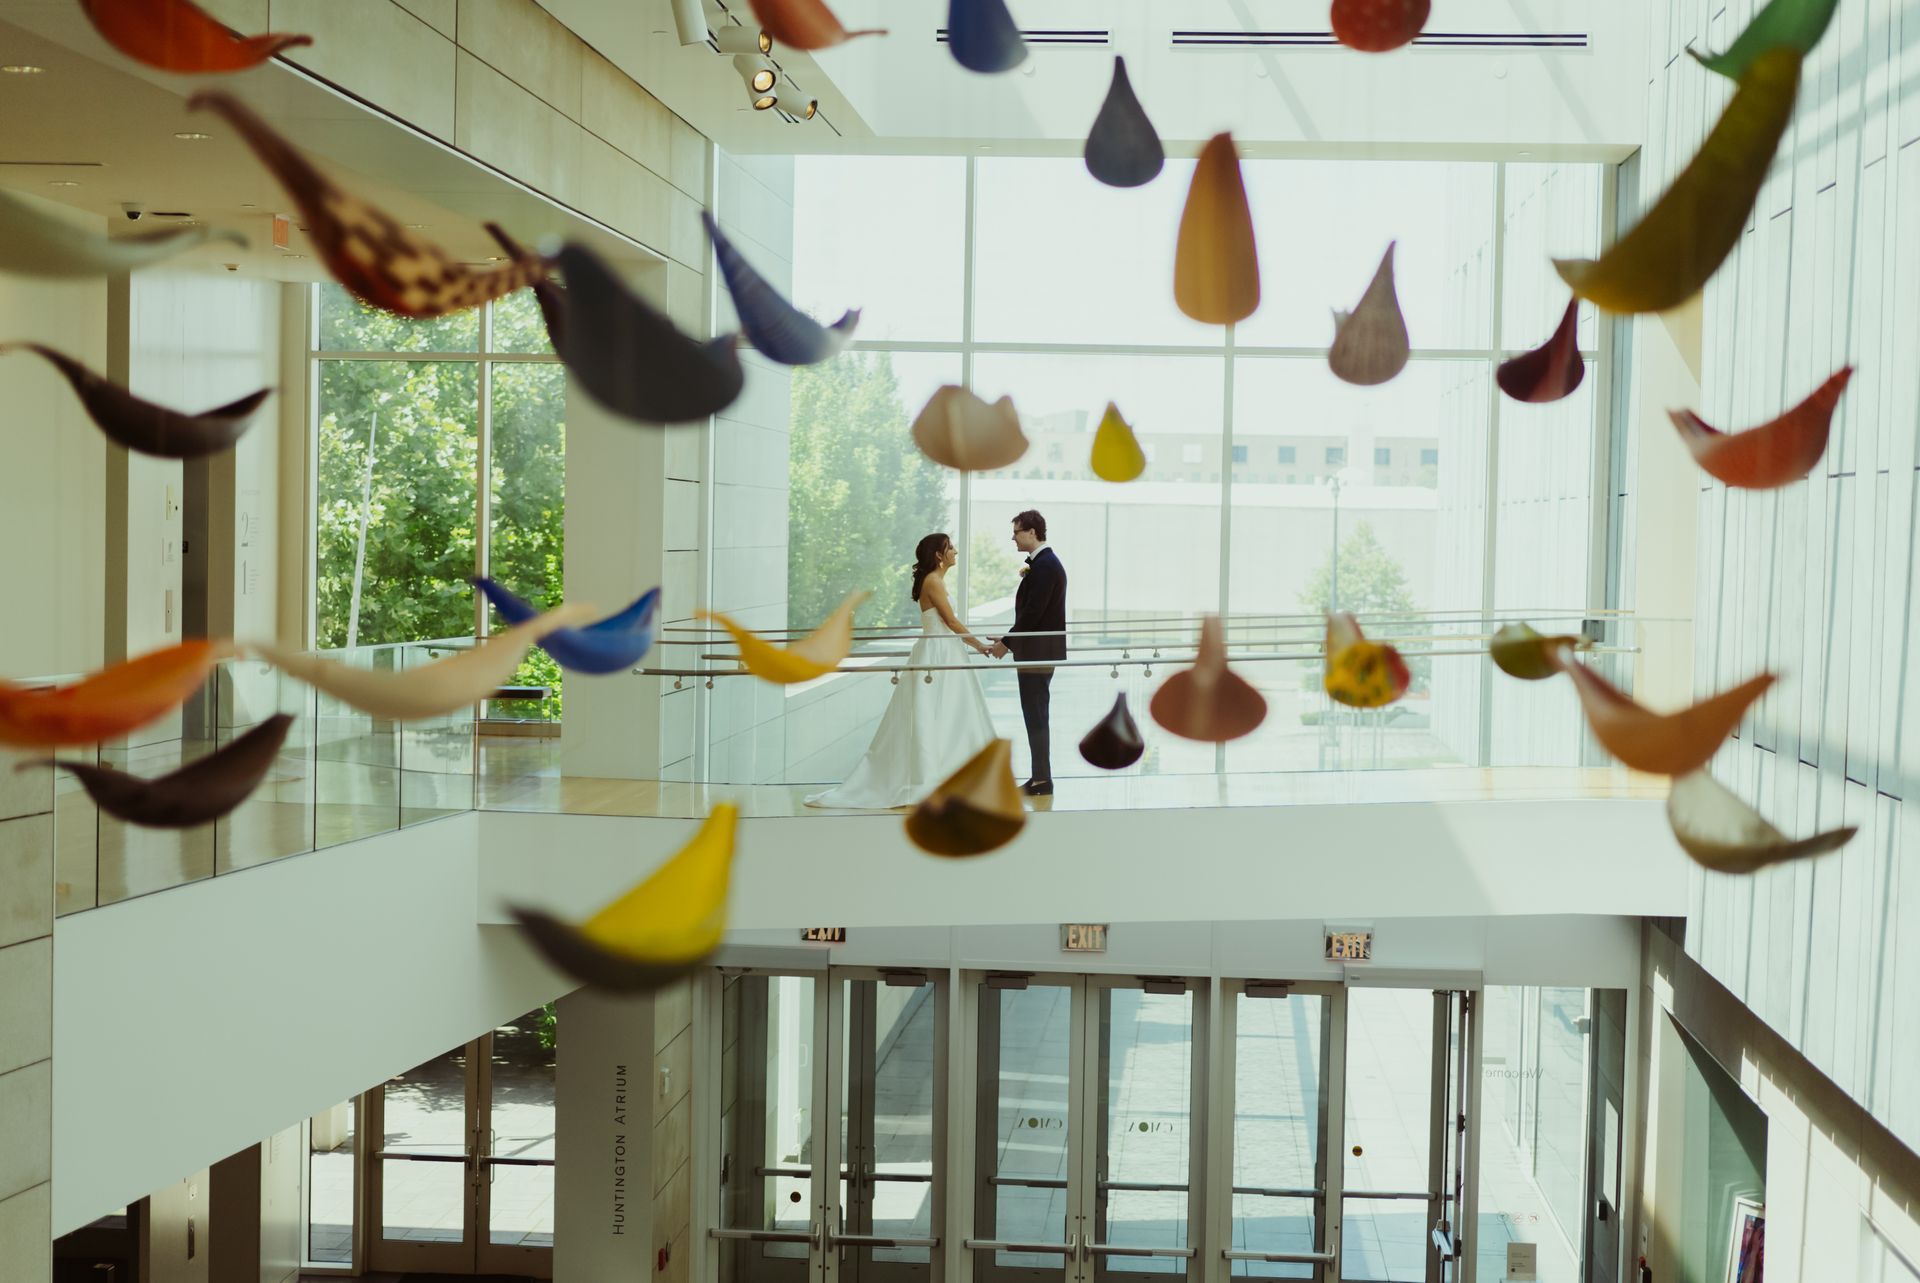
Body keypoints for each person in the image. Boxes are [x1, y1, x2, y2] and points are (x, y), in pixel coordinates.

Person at [805, 533, 997, 810]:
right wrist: (979, 645)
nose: (955, 551)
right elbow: (951, 621)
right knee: (935, 713)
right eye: (950, 547)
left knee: (948, 713)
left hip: (944, 651)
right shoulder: (933, 582)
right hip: (938, 653)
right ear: (939, 556)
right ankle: (933, 779)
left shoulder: (935, 581)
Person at [990, 510, 1066, 795]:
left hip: (1038, 652)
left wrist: (1006, 643)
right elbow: (1035, 612)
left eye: (1017, 531)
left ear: (1032, 532)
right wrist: (1008, 638)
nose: (1013, 537)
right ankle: (1039, 778)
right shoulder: (1045, 563)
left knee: (1035, 714)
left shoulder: (1045, 565)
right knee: (1035, 714)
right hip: (1037, 651)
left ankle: (1042, 780)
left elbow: (1033, 613)